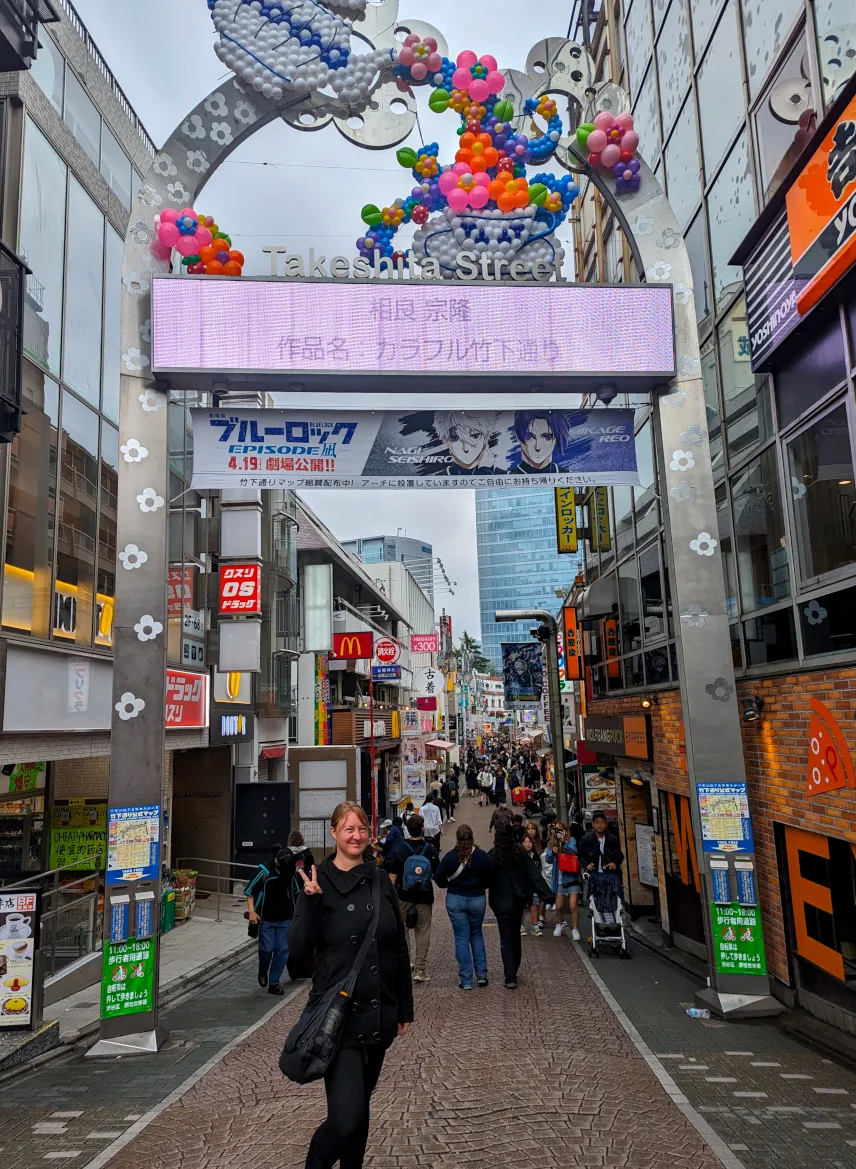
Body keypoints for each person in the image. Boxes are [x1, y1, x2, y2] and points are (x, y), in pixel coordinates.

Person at [289, 802, 412, 1169]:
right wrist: (309, 904)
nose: (356, 836)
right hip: (337, 1021)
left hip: (379, 1014)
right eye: (348, 829)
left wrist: (404, 1008)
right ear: (334, 834)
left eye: (361, 828)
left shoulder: (379, 879)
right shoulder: (318, 882)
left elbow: (398, 946)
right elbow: (296, 956)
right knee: (345, 1118)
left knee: (359, 1111)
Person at [245, 831, 316, 996]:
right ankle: (263, 970)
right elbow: (250, 891)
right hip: (266, 919)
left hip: (286, 919)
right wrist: (252, 911)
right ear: (276, 861)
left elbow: (298, 893)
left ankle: (274, 982)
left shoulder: (291, 874)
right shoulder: (264, 872)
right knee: (267, 948)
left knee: (283, 950)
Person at [488, 825, 552, 989]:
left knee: (505, 936)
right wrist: (546, 894)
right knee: (515, 934)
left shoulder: (493, 854)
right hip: (517, 899)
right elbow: (533, 874)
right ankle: (513, 968)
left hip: (499, 900)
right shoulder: (519, 852)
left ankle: (509, 974)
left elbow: (484, 877)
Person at [435, 825, 494, 990]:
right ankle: (481, 974)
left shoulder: (451, 857)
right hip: (477, 898)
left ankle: (466, 980)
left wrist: (449, 884)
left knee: (461, 938)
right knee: (476, 934)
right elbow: (491, 875)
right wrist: (481, 885)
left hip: (456, 898)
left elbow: (438, 877)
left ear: (457, 837)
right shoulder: (482, 856)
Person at [387, 814, 439, 983]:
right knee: (423, 931)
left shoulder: (401, 849)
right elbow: (437, 873)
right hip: (424, 895)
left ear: (408, 830)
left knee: (402, 930)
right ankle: (420, 969)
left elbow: (392, 876)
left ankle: (405, 963)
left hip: (403, 894)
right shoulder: (430, 850)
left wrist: (389, 896)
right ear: (422, 829)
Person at [545, 822, 582, 940]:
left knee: (573, 905)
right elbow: (548, 859)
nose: (558, 832)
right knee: (559, 906)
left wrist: (564, 842)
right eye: (556, 830)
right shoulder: (552, 842)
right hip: (559, 878)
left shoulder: (571, 840)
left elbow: (573, 851)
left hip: (571, 877)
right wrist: (552, 852)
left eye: (561, 830)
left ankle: (575, 929)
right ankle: (559, 923)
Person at [579, 810, 624, 876]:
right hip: (593, 875)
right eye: (597, 822)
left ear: (606, 824)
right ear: (593, 824)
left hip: (610, 875)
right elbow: (580, 856)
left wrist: (614, 863)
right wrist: (586, 865)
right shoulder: (586, 839)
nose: (600, 825)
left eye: (602, 822)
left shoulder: (612, 839)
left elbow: (620, 856)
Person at [521, 834, 544, 936]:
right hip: (522, 885)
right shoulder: (519, 856)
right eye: (525, 842)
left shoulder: (535, 856)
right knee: (521, 905)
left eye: (530, 842)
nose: (528, 844)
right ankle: (520, 925)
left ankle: (534, 925)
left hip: (534, 884)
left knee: (534, 904)